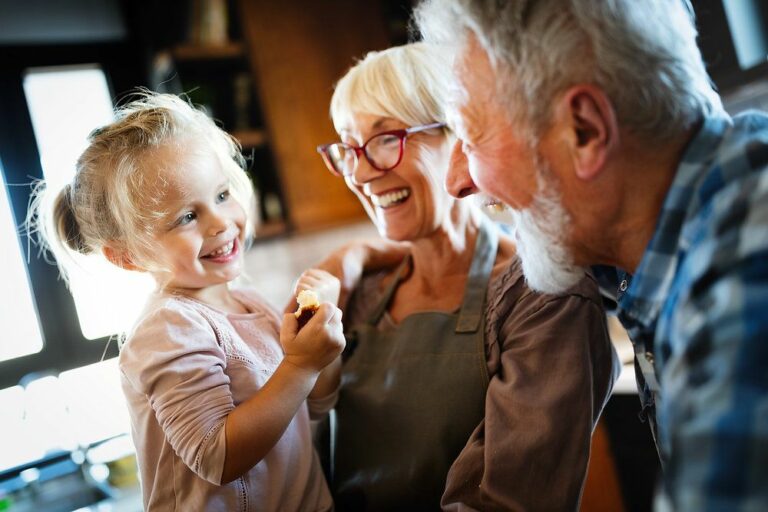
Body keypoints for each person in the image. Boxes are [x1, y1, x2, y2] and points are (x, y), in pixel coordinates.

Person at [415, 0, 768, 509]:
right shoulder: (660, 251)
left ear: (583, 131)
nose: (456, 182)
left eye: (470, 137)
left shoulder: (743, 290)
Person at [314, 43, 618, 511]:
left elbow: (503, 503)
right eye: (349, 148)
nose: (359, 172)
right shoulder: (354, 296)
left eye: (385, 139)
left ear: (459, 135)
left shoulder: (543, 296)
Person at [31, 92, 345, 511]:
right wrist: (300, 365)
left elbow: (318, 402)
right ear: (127, 257)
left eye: (220, 195)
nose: (220, 222)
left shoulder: (253, 305)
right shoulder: (168, 329)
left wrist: (323, 341)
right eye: (186, 217)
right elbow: (217, 456)